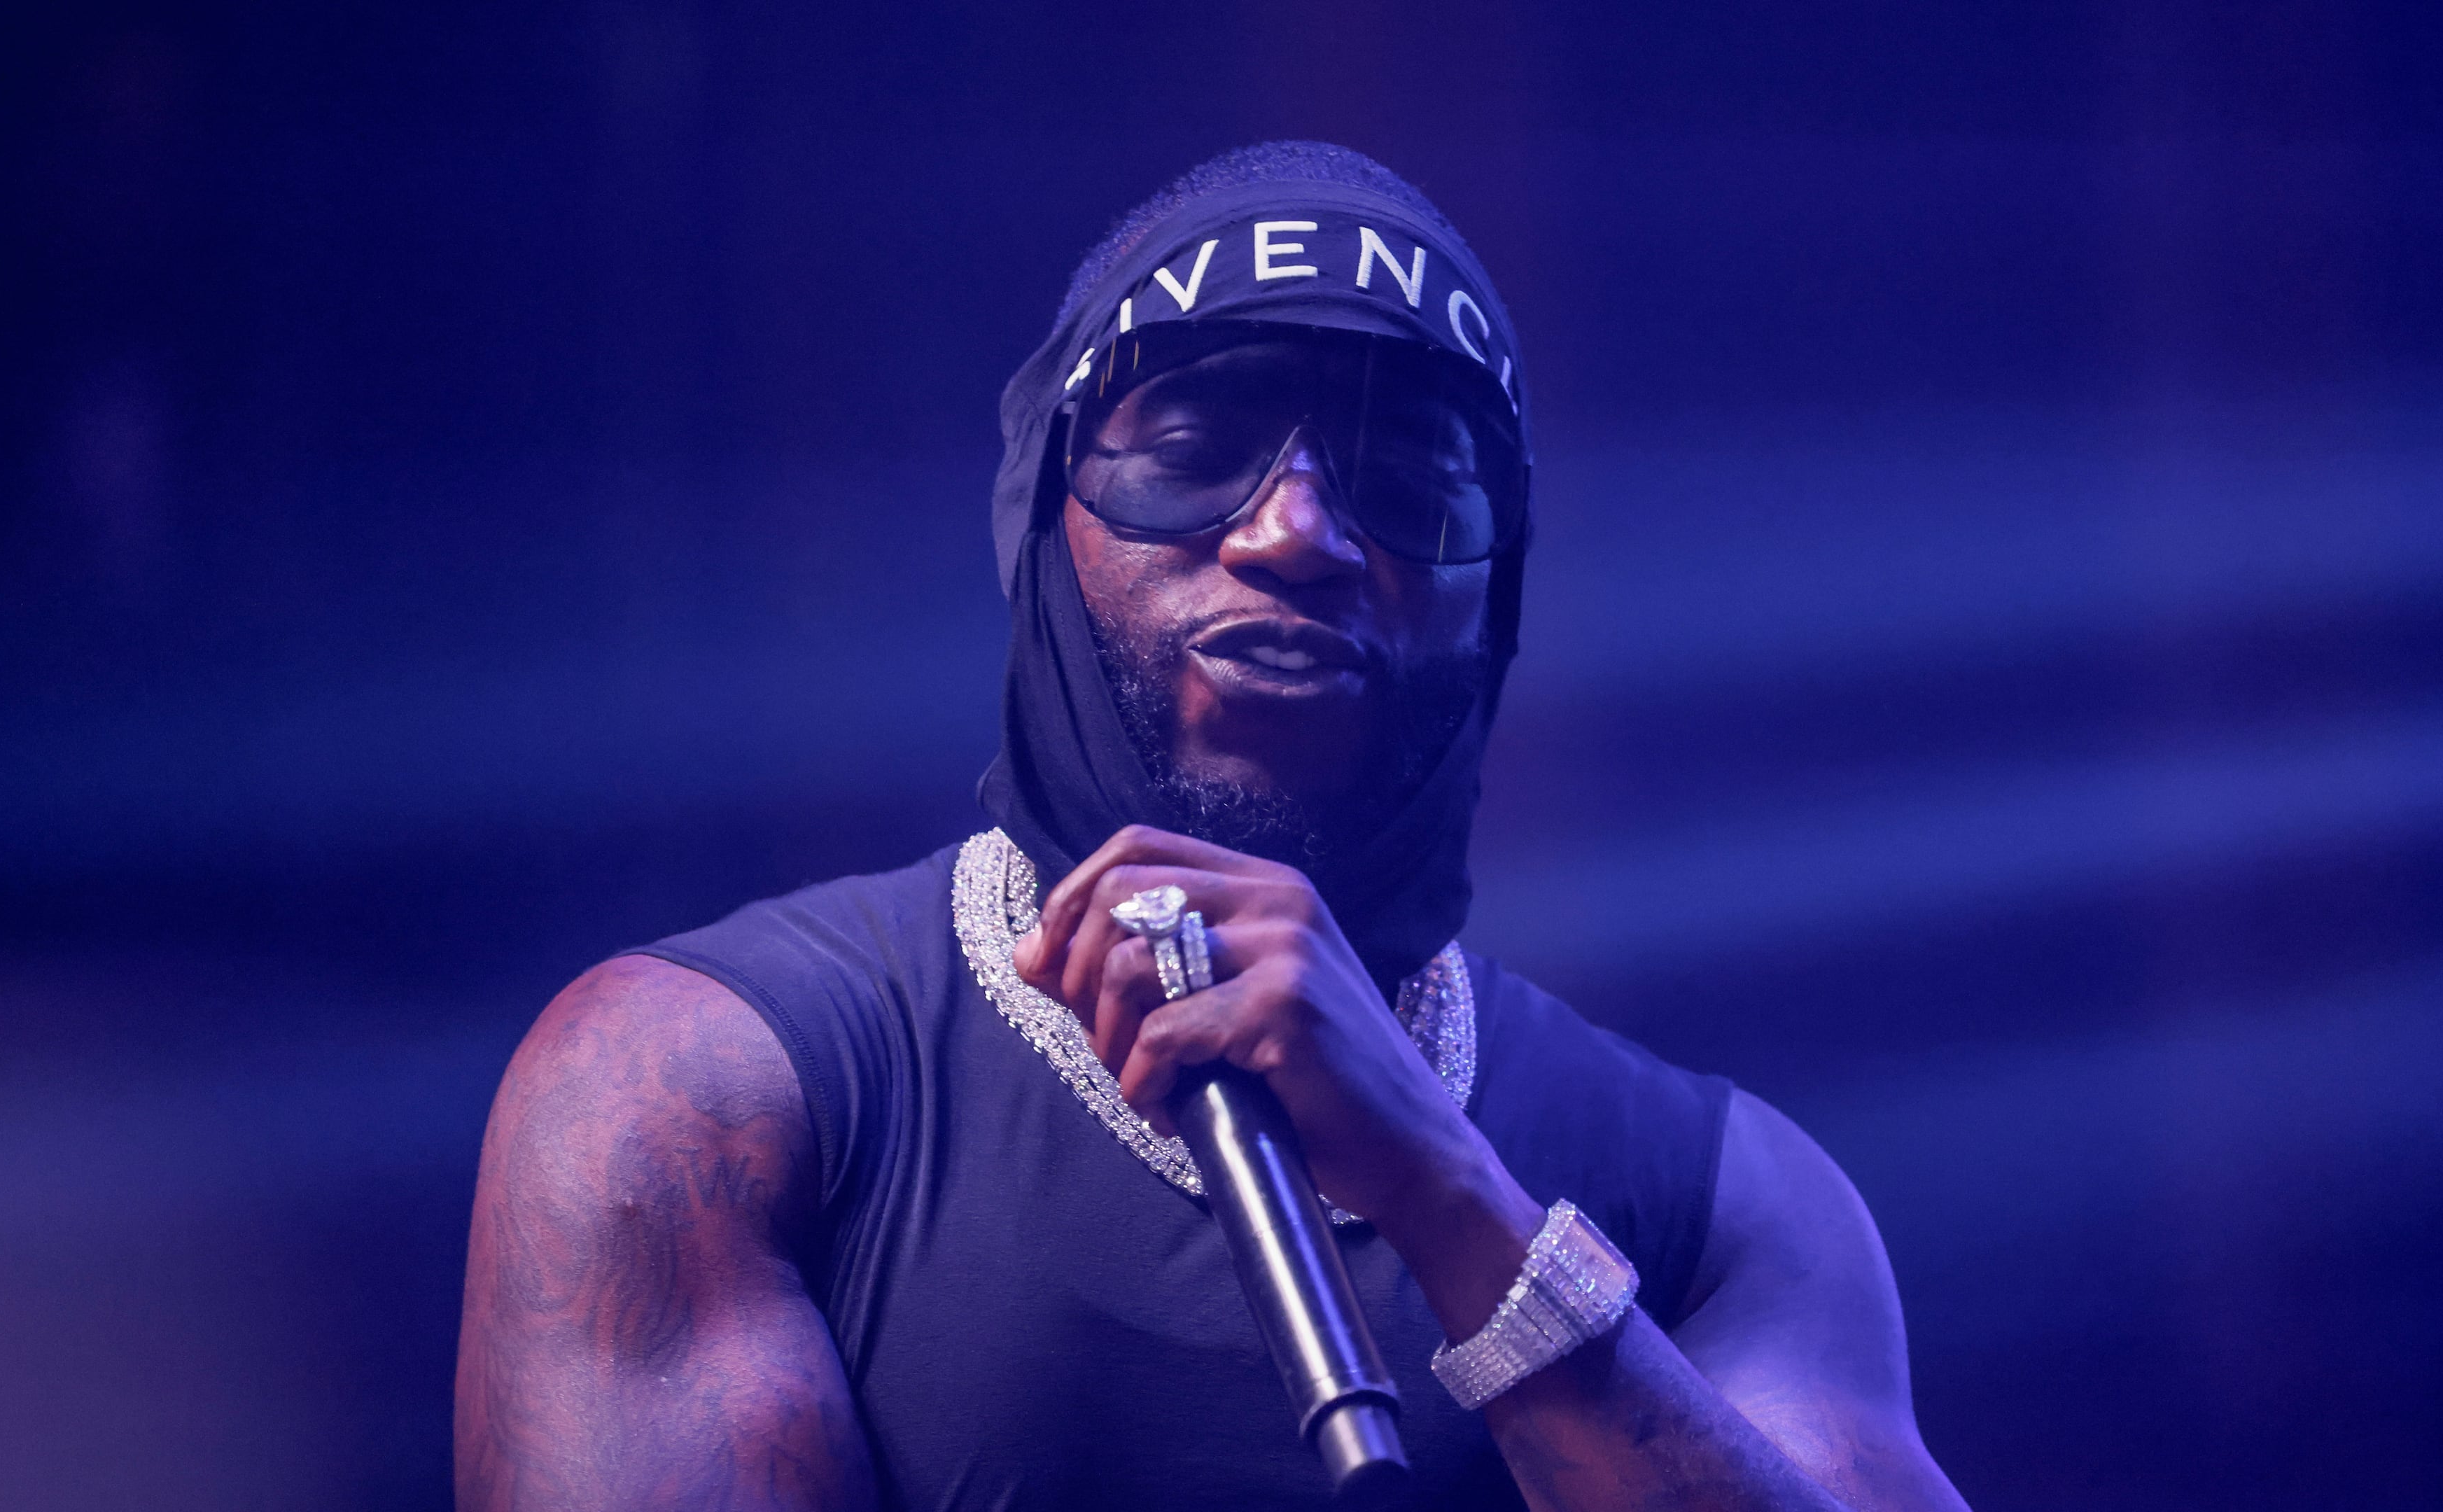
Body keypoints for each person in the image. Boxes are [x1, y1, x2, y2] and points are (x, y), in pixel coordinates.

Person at [454, 142, 1972, 1511]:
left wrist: (1446, 1194)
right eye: (1190, 451)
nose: (1295, 533)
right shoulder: (690, 1084)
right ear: (1041, 519)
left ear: (1498, 599)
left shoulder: (1729, 1198)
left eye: (1404, 481)